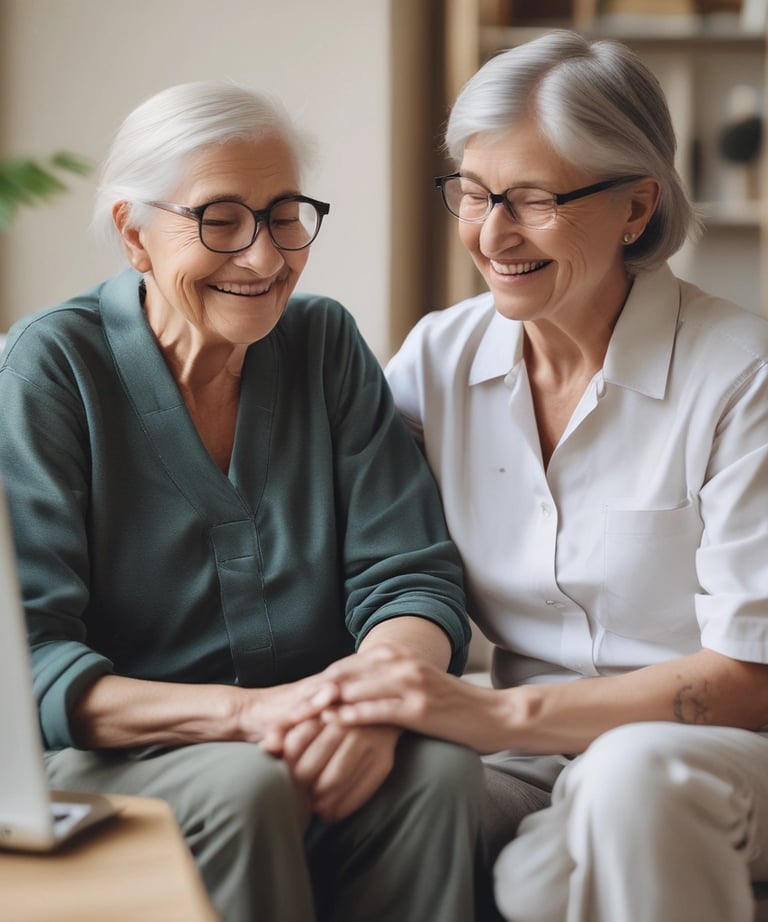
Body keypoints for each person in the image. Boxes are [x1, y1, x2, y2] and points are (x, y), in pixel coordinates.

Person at [301, 29, 768, 922]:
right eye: (472, 195)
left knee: (631, 778)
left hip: (718, 752)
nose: (491, 234)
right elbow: (348, 525)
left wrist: (493, 718)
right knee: (370, 806)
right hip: (526, 760)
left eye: (532, 200)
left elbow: (748, 679)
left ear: (638, 205)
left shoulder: (743, 375)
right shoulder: (441, 356)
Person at [0, 80, 485, 922]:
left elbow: (411, 576)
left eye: (284, 213)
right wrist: (251, 715)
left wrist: (373, 699)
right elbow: (31, 661)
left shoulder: (324, 343)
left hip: (307, 728)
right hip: (112, 756)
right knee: (247, 786)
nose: (264, 258)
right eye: (220, 219)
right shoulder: (54, 368)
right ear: (134, 233)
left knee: (438, 770)